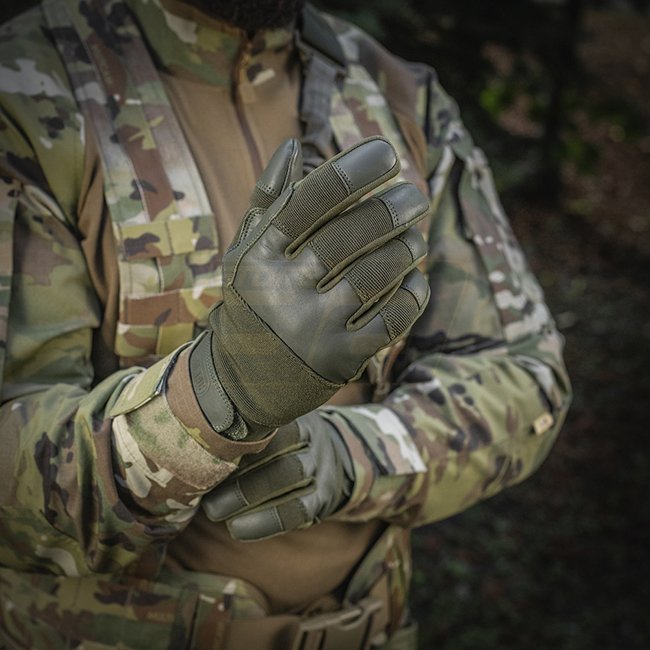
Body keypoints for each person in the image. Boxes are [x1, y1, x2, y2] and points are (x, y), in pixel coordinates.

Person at [0, 0, 572, 648]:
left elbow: (526, 378)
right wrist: (217, 392)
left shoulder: (398, 96)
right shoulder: (27, 89)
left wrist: (353, 457)